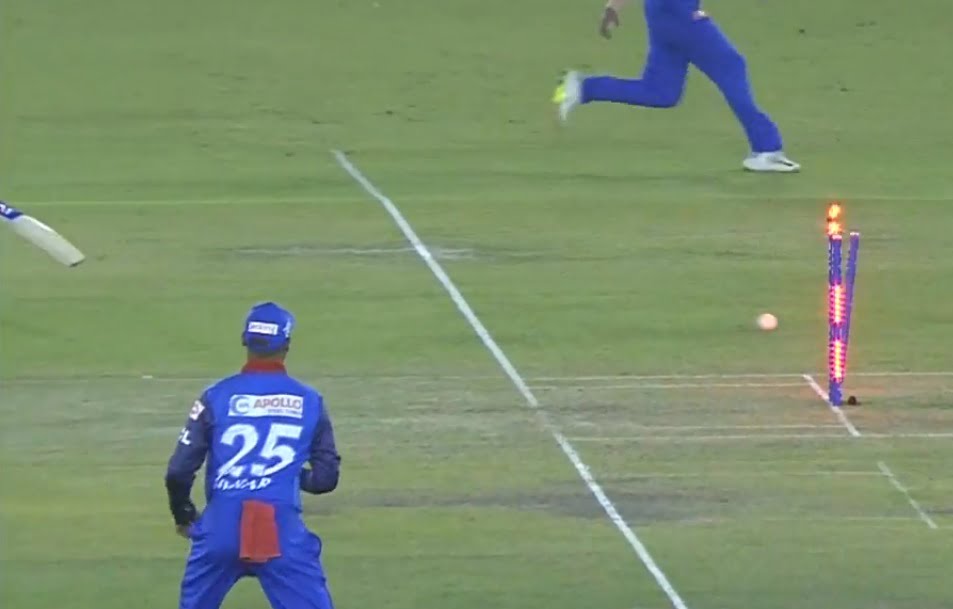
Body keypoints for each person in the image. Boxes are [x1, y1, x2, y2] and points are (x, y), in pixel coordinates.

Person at [165, 301, 341, 609]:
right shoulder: (310, 401)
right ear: (287, 345)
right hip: (280, 530)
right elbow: (326, 478)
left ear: (244, 341)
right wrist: (288, 474)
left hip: (219, 527)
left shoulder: (215, 396)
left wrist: (184, 515)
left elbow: (178, 472)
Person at [552, 0, 800, 172]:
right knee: (731, 65)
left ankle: (583, 88)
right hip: (678, 12)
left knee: (661, 91)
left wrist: (613, 7)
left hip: (662, 12)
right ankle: (767, 149)